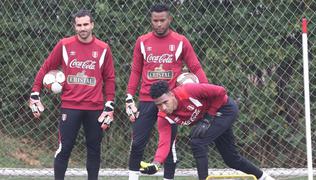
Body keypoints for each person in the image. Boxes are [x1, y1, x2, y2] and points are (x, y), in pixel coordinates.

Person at [28, 9, 115, 180]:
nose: (83, 28)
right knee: (64, 148)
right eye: (79, 25)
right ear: (74, 26)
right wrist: (35, 93)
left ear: (92, 25)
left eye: (86, 24)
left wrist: (109, 104)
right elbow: (46, 67)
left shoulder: (103, 48)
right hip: (70, 106)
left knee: (94, 149)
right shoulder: (65, 45)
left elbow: (109, 78)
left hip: (95, 108)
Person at [125, 3, 208, 180]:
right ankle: (133, 178)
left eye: (162, 20)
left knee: (169, 145)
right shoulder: (142, 41)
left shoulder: (180, 41)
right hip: (147, 100)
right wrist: (129, 96)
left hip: (170, 101)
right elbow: (135, 71)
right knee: (137, 143)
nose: (159, 24)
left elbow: (195, 67)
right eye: (155, 20)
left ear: (169, 19)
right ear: (151, 20)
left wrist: (205, 89)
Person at [139, 80, 275, 180]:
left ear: (171, 94)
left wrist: (208, 118)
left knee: (197, 142)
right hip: (212, 119)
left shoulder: (187, 91)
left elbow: (221, 91)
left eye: (165, 102)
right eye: (158, 105)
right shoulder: (163, 117)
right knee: (231, 159)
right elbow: (164, 143)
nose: (163, 107)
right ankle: (265, 178)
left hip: (225, 109)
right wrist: (156, 164)